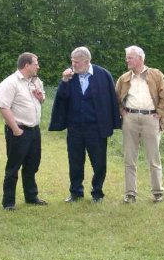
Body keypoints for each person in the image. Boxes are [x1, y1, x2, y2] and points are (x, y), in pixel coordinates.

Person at [49, 46, 121, 203]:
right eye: (72, 62)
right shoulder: (70, 77)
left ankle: (97, 192)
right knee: (75, 162)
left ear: (87, 61)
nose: (73, 66)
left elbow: (111, 101)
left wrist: (113, 123)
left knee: (99, 163)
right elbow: (62, 98)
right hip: (75, 128)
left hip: (96, 129)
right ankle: (76, 192)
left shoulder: (103, 75)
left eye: (77, 63)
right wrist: (64, 81)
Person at [115, 45, 164, 203]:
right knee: (129, 158)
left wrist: (159, 113)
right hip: (130, 119)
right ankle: (130, 194)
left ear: (140, 58)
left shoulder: (156, 74)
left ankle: (158, 192)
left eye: (130, 57)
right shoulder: (124, 78)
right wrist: (121, 111)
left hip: (150, 119)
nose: (127, 60)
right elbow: (116, 98)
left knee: (154, 158)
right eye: (127, 58)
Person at [0, 52, 47, 211]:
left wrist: (40, 97)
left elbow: (42, 101)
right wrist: (16, 129)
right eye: (36, 63)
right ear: (27, 65)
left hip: (34, 131)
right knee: (13, 167)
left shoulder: (36, 81)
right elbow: (3, 107)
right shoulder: (11, 83)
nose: (38, 66)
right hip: (19, 130)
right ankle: (8, 202)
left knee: (32, 165)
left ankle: (31, 196)